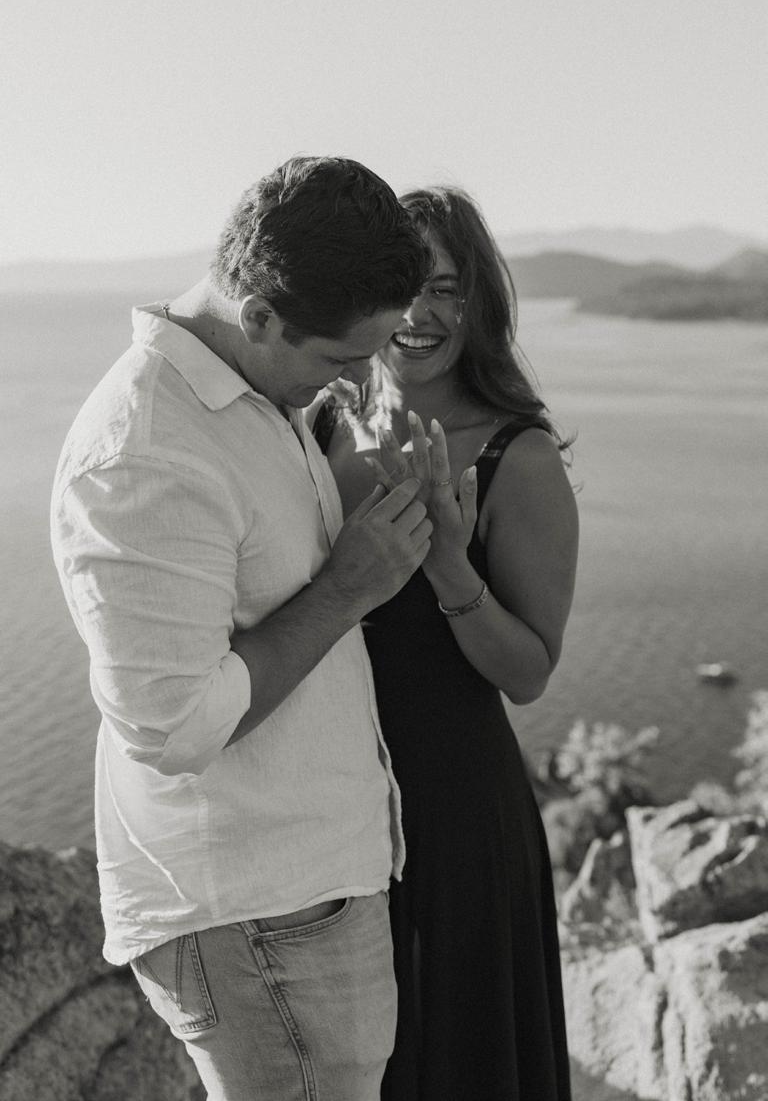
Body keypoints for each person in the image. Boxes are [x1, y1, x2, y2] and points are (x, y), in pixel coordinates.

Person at [50, 155, 435, 1101]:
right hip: (257, 915)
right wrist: (350, 588)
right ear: (258, 314)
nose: (360, 377)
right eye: (342, 359)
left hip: (299, 890)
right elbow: (174, 725)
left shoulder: (253, 393)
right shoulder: (147, 450)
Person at [313, 186, 578, 1100]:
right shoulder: (320, 425)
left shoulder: (519, 458)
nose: (419, 314)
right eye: (403, 285)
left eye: (447, 289)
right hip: (326, 813)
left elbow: (530, 672)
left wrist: (448, 565)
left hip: (457, 820)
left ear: (481, 304)